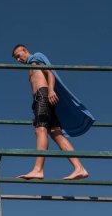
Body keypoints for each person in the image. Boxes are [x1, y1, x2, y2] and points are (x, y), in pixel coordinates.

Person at [12, 44, 90, 180]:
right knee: (56, 134)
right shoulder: (31, 66)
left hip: (43, 95)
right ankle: (80, 168)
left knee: (40, 130)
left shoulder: (35, 57)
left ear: (25, 50)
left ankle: (38, 169)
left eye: (18, 56)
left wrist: (51, 90)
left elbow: (50, 73)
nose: (18, 60)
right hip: (40, 100)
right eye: (16, 59)